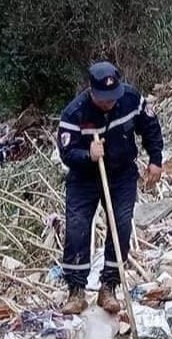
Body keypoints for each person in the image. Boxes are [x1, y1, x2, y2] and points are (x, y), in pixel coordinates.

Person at [56, 61, 163, 314]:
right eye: (104, 99)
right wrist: (88, 155)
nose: (110, 103)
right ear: (91, 91)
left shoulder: (131, 99)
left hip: (122, 174)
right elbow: (66, 152)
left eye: (112, 97)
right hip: (84, 178)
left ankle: (109, 286)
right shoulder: (74, 114)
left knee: (121, 224)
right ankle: (76, 290)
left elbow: (150, 127)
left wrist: (156, 159)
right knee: (77, 227)